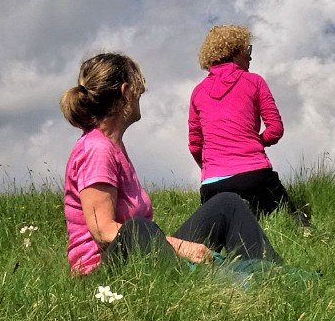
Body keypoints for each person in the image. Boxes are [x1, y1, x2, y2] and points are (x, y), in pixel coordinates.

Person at [61, 52, 283, 276]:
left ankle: (275, 279)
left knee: (227, 204)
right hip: (103, 276)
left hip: (139, 259)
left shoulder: (112, 146)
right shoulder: (97, 149)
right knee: (139, 228)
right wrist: (180, 246)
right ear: (125, 92)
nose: (142, 95)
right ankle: (229, 283)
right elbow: (104, 230)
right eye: (139, 88)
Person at [187, 24, 305, 223]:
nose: (250, 57)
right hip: (254, 175)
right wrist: (254, 142)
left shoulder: (198, 92)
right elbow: (275, 129)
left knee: (222, 238)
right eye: (247, 50)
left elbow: (195, 145)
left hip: (212, 184)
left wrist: (211, 166)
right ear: (233, 53)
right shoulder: (254, 81)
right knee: (296, 224)